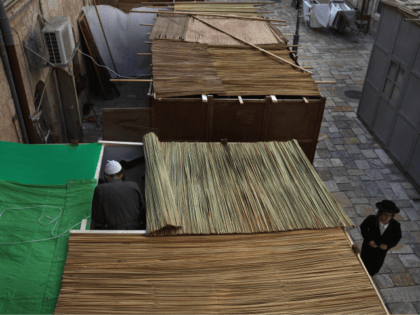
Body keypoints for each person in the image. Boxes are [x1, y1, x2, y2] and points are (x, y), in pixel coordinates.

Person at [91, 160, 145, 230]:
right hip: (136, 229)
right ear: (122, 174)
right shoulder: (134, 185)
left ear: (106, 176)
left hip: (113, 232)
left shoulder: (100, 189)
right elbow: (142, 210)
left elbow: (98, 218)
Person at [360, 199, 402, 276]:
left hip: (380, 253)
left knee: (374, 268)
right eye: (385, 215)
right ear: (380, 214)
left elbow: (397, 238)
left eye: (390, 216)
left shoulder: (396, 225)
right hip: (367, 248)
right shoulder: (371, 219)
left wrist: (388, 246)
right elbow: (363, 228)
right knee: (362, 263)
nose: (387, 218)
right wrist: (369, 240)